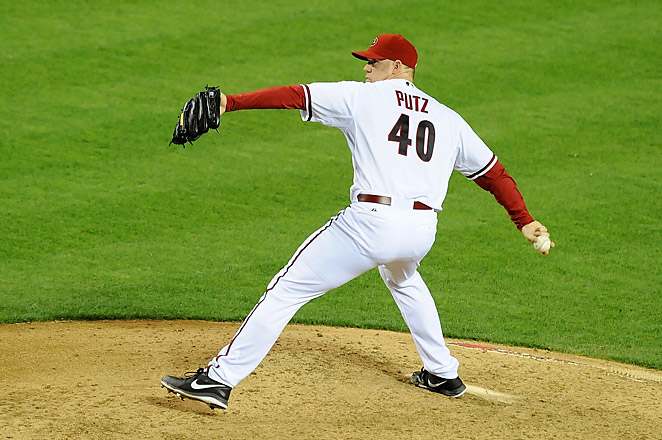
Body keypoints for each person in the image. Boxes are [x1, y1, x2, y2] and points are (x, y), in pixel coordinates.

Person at [161, 34, 554, 410]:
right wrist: (524, 220)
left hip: (372, 224)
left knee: (286, 289)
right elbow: (493, 173)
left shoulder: (362, 97)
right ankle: (442, 373)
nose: (366, 68)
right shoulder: (448, 118)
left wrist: (231, 102)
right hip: (421, 231)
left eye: (373, 62)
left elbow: (295, 95)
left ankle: (218, 379)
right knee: (402, 277)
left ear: (397, 66)